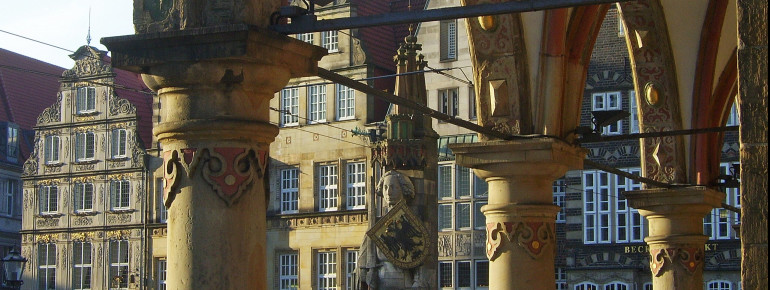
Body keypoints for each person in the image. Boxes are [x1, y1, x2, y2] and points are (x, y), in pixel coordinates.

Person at [357, 170, 429, 289]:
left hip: (404, 283)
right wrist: (365, 273)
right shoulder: (377, 226)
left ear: (403, 189)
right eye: (385, 188)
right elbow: (363, 263)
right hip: (380, 281)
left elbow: (419, 259)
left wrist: (418, 283)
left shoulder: (411, 222)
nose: (388, 192)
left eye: (393, 187)